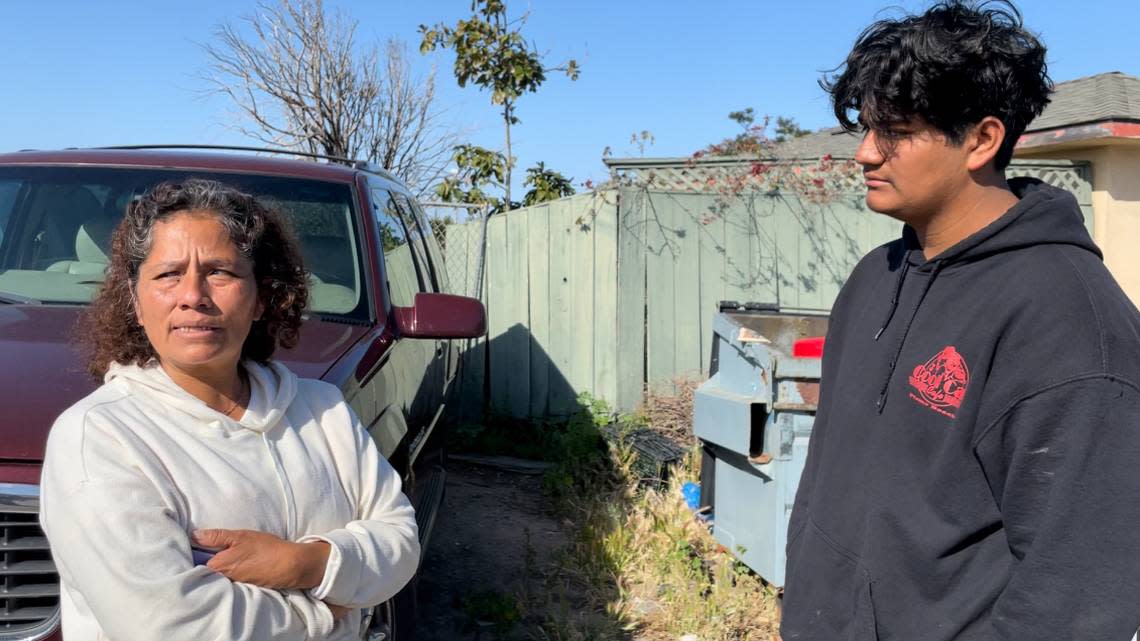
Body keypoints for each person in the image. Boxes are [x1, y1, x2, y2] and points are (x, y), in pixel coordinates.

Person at [781, 2, 1140, 640]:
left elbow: (1080, 593)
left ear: (981, 139)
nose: (865, 152)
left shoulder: (1071, 323)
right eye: (865, 127)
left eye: (894, 130)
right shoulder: (874, 277)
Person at [39, 179, 420, 641]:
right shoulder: (99, 436)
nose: (193, 295)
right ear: (136, 303)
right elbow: (169, 628)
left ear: (262, 297)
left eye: (221, 271)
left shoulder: (323, 408)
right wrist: (330, 612)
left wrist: (306, 563)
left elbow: (400, 542)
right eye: (167, 274)